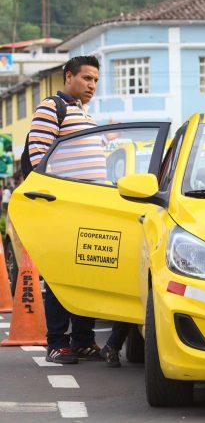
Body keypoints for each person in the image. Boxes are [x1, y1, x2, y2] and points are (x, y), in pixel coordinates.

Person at [29, 55, 104, 365]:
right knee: (62, 276)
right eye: (86, 78)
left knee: (88, 274)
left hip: (93, 207)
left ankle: (84, 340)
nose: (92, 85)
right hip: (65, 208)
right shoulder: (52, 108)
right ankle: (57, 343)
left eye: (96, 81)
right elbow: (38, 158)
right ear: (69, 77)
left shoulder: (85, 114)